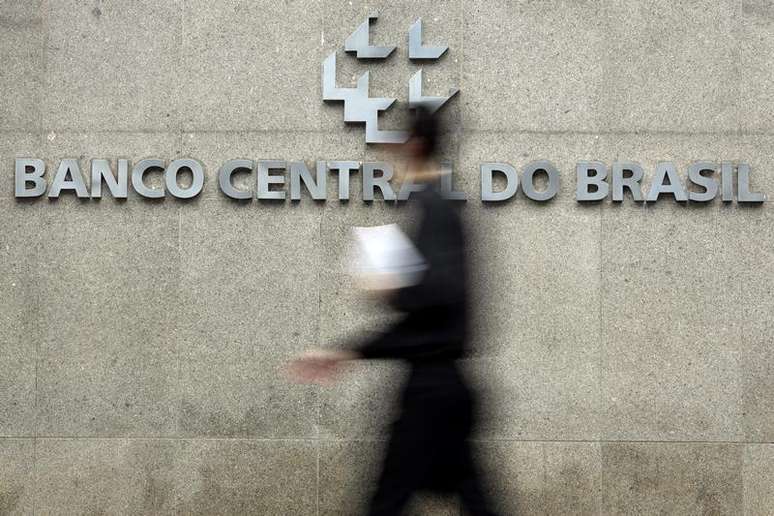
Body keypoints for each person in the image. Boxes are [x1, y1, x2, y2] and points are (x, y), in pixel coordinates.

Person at [289, 108, 499, 516]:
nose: (391, 155)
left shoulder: (435, 208)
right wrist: (348, 351)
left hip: (432, 394)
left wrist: (392, 288)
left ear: (415, 145)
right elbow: (436, 310)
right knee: (468, 501)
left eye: (398, 144)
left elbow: (440, 297)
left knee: (386, 503)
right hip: (442, 388)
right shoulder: (437, 206)